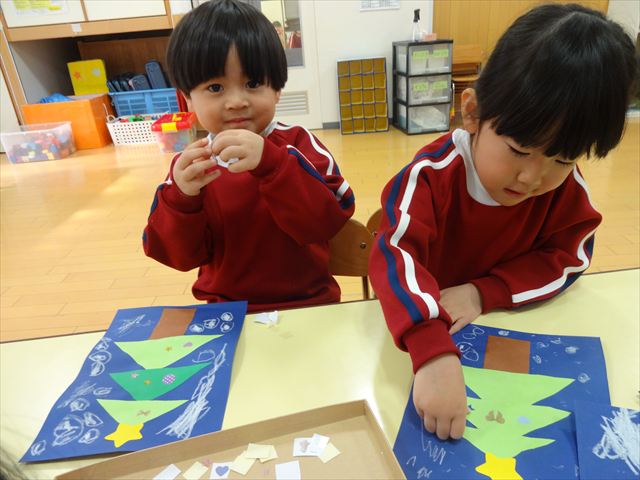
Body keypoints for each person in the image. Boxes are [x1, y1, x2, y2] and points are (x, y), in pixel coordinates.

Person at [369, 3, 637, 441]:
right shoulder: (431, 177)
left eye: (563, 159)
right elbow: (393, 255)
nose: (533, 177)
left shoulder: (566, 191)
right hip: (423, 342)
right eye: (519, 149)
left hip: (507, 333)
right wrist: (431, 350)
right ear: (472, 112)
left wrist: (483, 292)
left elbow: (570, 258)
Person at [143, 0, 355, 312]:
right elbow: (178, 256)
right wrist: (182, 199)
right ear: (188, 98)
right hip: (226, 311)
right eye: (215, 87)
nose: (236, 102)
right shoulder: (190, 167)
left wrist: (272, 163)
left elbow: (328, 222)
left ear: (277, 89)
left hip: (309, 304)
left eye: (253, 83)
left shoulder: (299, 144)